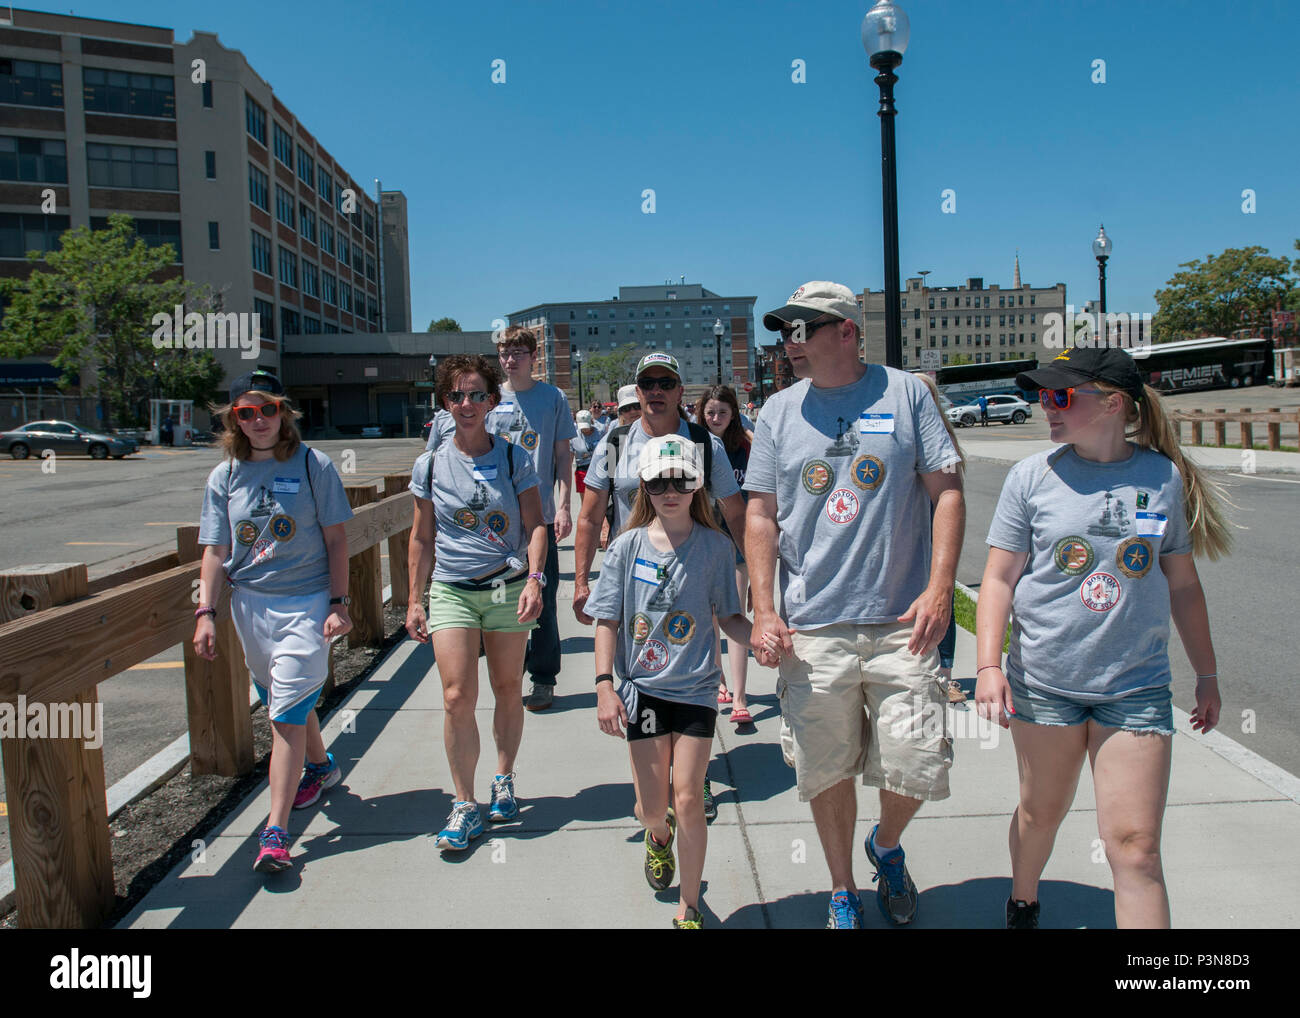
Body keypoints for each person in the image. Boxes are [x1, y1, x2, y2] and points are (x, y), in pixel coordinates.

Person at [975, 347, 1229, 929]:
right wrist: (989, 667)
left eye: (1060, 395)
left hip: (1135, 687)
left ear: (1113, 403)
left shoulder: (1162, 477)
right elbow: (997, 579)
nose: (1047, 407)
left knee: (1136, 847)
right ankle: (1023, 898)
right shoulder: (1031, 477)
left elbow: (1184, 586)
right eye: (1043, 395)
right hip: (1045, 684)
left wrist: (1207, 675)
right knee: (1041, 814)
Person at [746, 281, 964, 929]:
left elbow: (946, 491)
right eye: (784, 332)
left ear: (845, 330)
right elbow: (760, 514)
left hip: (904, 625)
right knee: (825, 770)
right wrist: (764, 608)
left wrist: (940, 586)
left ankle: (887, 846)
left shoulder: (906, 394)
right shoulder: (779, 413)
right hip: (813, 628)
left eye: (801, 330)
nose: (789, 345)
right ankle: (842, 887)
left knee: (916, 763)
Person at [588, 435, 770, 928]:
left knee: (688, 798)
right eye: (659, 481)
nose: (671, 490)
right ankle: (657, 837)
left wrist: (759, 638)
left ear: (698, 487)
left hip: (695, 691)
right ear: (645, 485)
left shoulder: (714, 548)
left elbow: (729, 618)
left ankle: (690, 907)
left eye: (682, 480)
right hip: (642, 692)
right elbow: (607, 620)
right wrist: (604, 685)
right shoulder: (626, 548)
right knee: (653, 808)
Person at [194, 370, 354, 874]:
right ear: (233, 419)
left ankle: (275, 833)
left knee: (281, 717)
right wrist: (206, 612)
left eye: (268, 410)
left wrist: (338, 602)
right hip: (250, 607)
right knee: (283, 697)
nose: (259, 420)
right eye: (246, 413)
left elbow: (336, 540)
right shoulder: (224, 477)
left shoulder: (313, 464)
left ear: (283, 412)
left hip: (306, 605)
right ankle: (322, 768)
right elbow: (216, 549)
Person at [406, 353, 547, 852]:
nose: (466, 404)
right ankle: (464, 805)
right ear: (445, 403)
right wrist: (414, 600)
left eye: (476, 394)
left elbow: (535, 526)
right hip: (451, 590)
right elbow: (421, 538)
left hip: (506, 587)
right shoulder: (429, 465)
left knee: (508, 686)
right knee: (455, 696)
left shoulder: (513, 457)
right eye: (456, 396)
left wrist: (535, 580)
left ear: (492, 400)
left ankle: (503, 777)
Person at [426, 326, 574, 711]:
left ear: (533, 356)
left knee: (542, 603)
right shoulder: (483, 399)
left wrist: (562, 506)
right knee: (493, 607)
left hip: (535, 518)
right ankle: (501, 669)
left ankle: (542, 677)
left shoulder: (551, 398)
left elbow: (562, 455)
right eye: (505, 351)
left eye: (519, 351)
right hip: (487, 526)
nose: (511, 358)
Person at [695, 384, 754, 725]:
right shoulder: (698, 446)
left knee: (733, 613)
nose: (715, 418)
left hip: (738, 538)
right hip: (705, 537)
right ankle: (719, 682)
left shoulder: (743, 446)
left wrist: (746, 429)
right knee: (712, 617)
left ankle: (741, 696)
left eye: (723, 412)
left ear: (734, 414)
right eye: (710, 412)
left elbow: (770, 462)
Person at [917, 374, 967, 704]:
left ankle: (944, 677)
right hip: (907, 534)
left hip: (934, 530)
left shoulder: (941, 437)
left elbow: (951, 495)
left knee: (940, 595)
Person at [572, 410, 601, 495]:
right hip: (582, 470)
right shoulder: (574, 437)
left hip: (598, 470)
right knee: (585, 502)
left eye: (586, 426)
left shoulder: (600, 433)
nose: (585, 429)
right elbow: (569, 457)